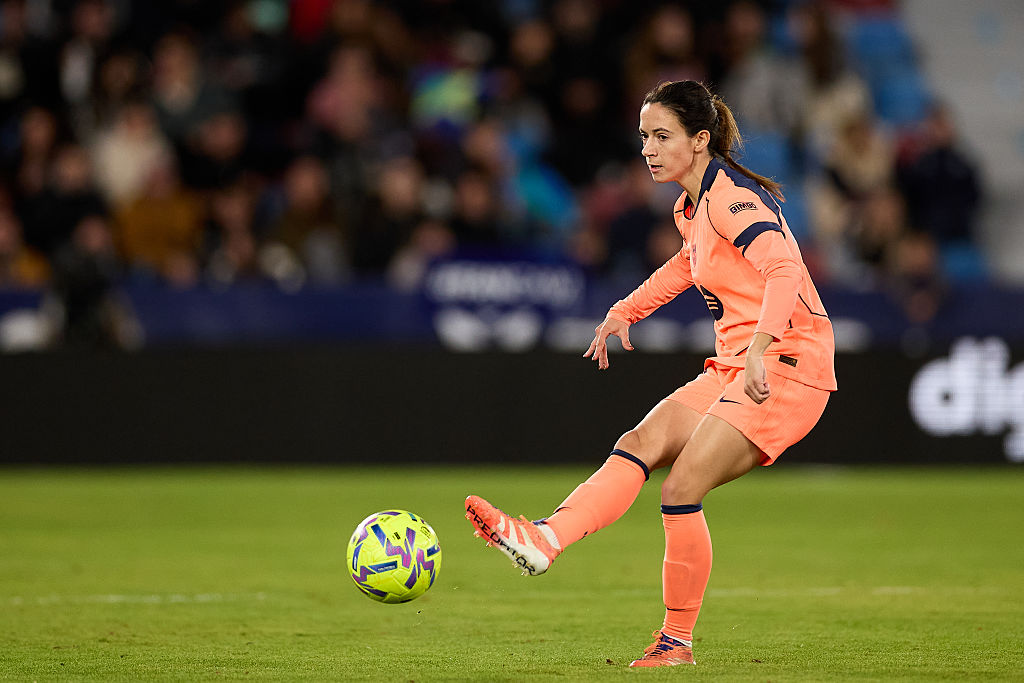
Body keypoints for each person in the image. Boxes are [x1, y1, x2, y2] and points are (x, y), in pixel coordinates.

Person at [464, 80, 837, 668]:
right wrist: (626, 309)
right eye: (644, 137)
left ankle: (676, 644)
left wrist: (762, 348)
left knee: (680, 488)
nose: (649, 149)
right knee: (640, 442)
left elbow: (786, 270)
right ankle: (544, 539)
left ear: (700, 140)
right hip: (739, 364)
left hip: (786, 366)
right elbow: (688, 265)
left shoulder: (733, 200)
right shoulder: (693, 205)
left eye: (663, 136)